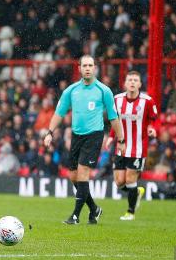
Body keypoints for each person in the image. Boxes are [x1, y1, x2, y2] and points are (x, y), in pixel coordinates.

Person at [44, 55, 125, 225]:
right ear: (79, 68)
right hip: (76, 136)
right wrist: (50, 132)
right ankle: (94, 209)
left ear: (95, 68)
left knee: (83, 172)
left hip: (94, 135)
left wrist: (121, 140)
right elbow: (59, 113)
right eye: (84, 65)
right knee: (73, 176)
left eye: (90, 65)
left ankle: (75, 215)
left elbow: (113, 117)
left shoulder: (104, 91)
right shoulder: (71, 91)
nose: (88, 68)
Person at [104, 71, 157, 220]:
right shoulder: (117, 100)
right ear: (125, 83)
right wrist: (111, 137)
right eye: (130, 80)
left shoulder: (147, 101)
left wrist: (152, 128)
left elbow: (154, 120)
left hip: (138, 148)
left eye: (135, 80)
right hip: (121, 146)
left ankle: (130, 212)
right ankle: (137, 192)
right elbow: (115, 121)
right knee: (119, 182)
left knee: (130, 179)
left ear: (140, 84)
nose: (132, 82)